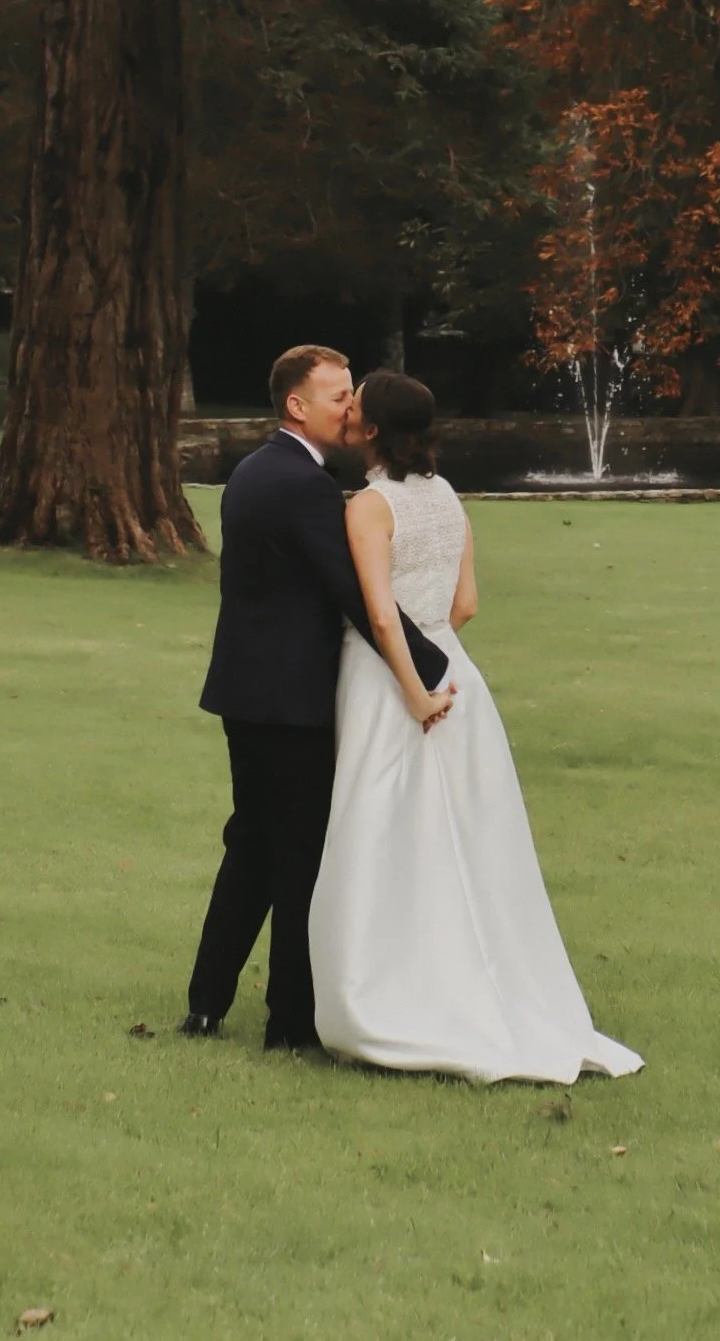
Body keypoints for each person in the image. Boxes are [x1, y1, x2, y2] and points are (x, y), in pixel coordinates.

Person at [309, 369, 643, 1085]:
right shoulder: (448, 495)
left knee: (384, 825)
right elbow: (465, 602)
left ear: (371, 429)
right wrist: (439, 664)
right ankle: (470, 977)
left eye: (356, 405)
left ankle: (386, 989)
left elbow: (376, 614)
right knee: (462, 834)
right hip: (456, 671)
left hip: (392, 680)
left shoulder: (370, 505)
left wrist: (412, 689)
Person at [182, 345, 454, 1052]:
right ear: (297, 404)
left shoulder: (250, 471)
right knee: (299, 857)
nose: (351, 407)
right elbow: (356, 595)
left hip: (244, 692)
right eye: (339, 395)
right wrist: (430, 669)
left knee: (250, 845)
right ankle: (289, 1024)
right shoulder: (304, 486)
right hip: (292, 700)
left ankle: (206, 1002)